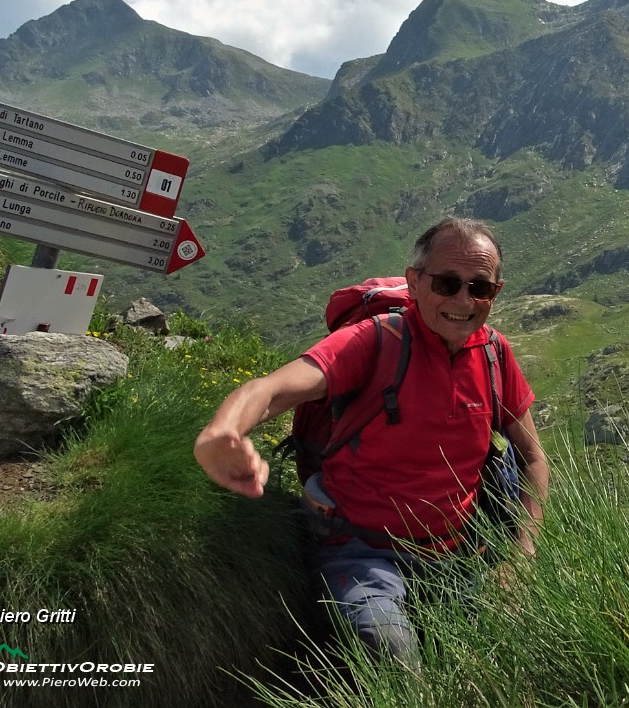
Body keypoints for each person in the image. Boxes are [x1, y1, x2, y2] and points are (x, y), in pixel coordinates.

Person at [194, 217, 549, 665]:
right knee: (393, 656)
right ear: (414, 281)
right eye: (447, 282)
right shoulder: (376, 341)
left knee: (502, 658)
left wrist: (522, 553)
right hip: (361, 549)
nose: (463, 300)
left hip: (457, 553)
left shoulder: (495, 354)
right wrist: (222, 431)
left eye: (479, 287)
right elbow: (273, 388)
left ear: (494, 292)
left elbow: (534, 457)